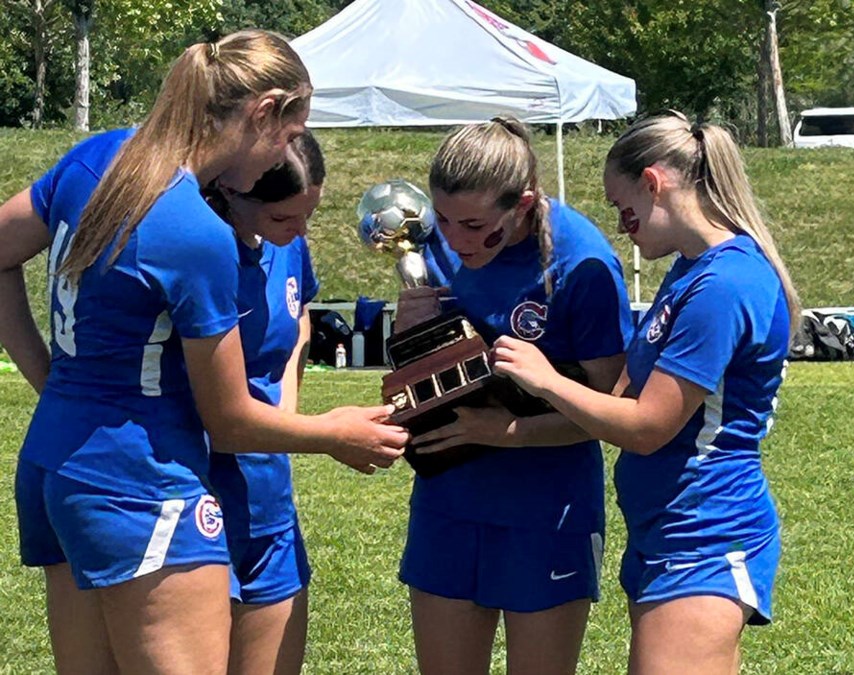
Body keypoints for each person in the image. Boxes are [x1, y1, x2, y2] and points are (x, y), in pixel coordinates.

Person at [0, 31, 407, 675]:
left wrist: (55, 384)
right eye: (288, 132)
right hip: (142, 485)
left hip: (56, 464)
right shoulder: (194, 229)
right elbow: (230, 419)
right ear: (263, 111)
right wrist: (332, 432)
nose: (285, 153)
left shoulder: (97, 157)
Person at [492, 111, 800, 675]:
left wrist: (545, 378)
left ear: (654, 182)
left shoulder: (724, 283)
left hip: (705, 533)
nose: (620, 223)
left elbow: (647, 427)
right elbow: (623, 400)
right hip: (668, 529)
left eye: (620, 205)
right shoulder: (689, 270)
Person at [396, 116, 634, 675]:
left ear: (523, 204)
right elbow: (423, 377)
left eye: (475, 225)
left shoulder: (583, 265)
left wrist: (508, 433)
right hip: (448, 500)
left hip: (547, 509)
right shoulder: (435, 242)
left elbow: (615, 412)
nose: (455, 240)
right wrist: (407, 337)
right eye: (445, 219)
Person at [204, 132, 325, 675]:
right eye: (284, 219)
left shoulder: (288, 244)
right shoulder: (200, 254)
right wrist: (328, 435)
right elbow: (222, 416)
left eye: (308, 215)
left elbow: (300, 318)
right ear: (234, 193)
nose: (300, 232)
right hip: (195, 499)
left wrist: (285, 419)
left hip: (268, 500)